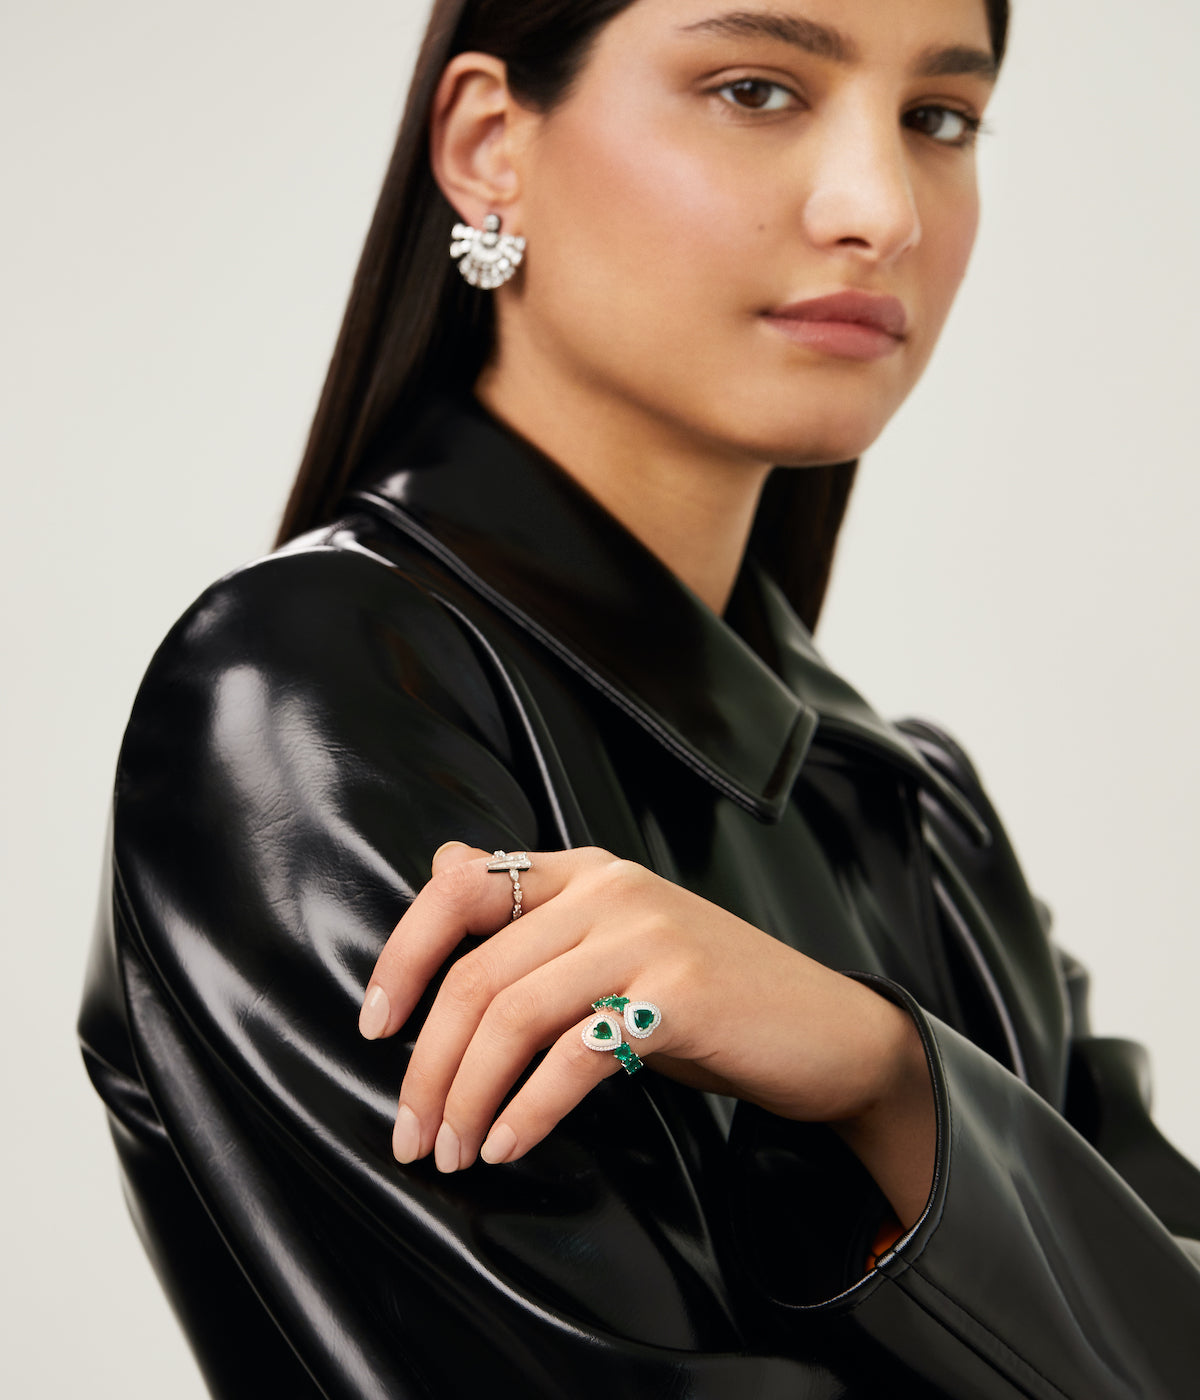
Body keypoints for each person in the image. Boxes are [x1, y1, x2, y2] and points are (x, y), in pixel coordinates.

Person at [78, 1, 1200, 1395]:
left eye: (939, 118)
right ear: (488, 144)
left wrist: (886, 1075)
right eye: (754, 89)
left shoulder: (919, 816)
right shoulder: (313, 704)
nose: (882, 211)